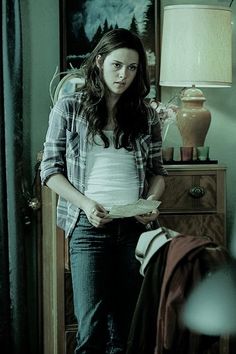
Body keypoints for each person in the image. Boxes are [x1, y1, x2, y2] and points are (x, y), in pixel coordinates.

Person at [40, 28, 167, 354]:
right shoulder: (69, 108)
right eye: (117, 65)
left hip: (134, 230)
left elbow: (158, 173)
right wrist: (84, 204)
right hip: (88, 228)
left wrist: (149, 203)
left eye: (133, 68)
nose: (124, 75)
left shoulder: (145, 114)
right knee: (91, 330)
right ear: (99, 62)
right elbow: (50, 171)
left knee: (126, 333)